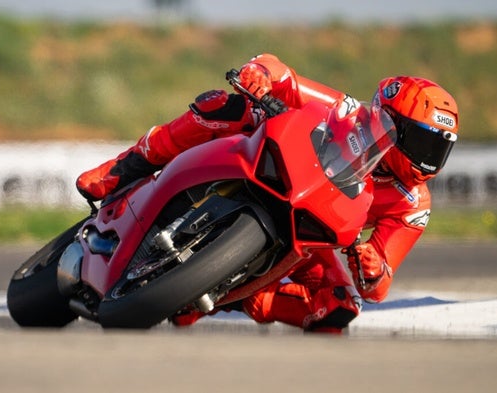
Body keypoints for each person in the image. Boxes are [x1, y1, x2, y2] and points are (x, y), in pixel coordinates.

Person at [76, 53, 459, 332]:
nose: (428, 161)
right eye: (422, 144)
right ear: (387, 120)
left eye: (438, 150)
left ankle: (221, 293)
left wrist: (371, 267)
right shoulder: (346, 113)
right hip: (269, 169)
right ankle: (126, 165)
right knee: (228, 106)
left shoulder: (414, 203)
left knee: (339, 308)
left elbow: (379, 285)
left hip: (309, 235)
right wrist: (259, 73)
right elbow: (283, 75)